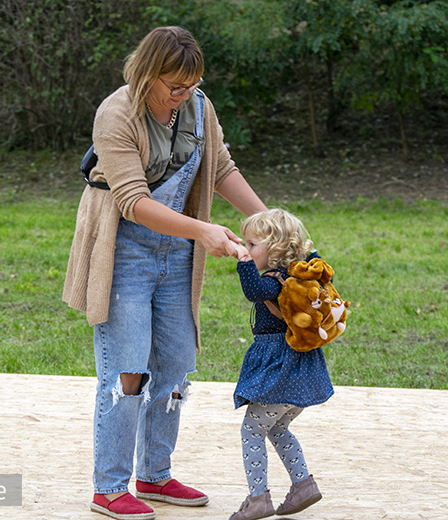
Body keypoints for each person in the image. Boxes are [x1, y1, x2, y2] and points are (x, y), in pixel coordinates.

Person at [62, 26, 267, 520]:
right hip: (124, 252)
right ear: (148, 73)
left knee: (174, 364)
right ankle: (109, 488)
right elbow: (132, 201)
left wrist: (268, 225)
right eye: (175, 85)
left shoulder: (199, 107)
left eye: (192, 84)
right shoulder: (116, 114)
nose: (185, 94)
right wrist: (203, 230)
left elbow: (219, 169)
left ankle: (154, 476)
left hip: (175, 255)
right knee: (127, 369)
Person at [228, 209, 334, 520]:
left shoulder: (279, 282)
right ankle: (303, 485)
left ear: (275, 249)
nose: (247, 250)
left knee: (251, 429)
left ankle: (258, 498)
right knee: (276, 427)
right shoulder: (300, 277)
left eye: (252, 245)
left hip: (281, 371)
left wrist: (244, 263)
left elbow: (254, 292)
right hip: (301, 372)